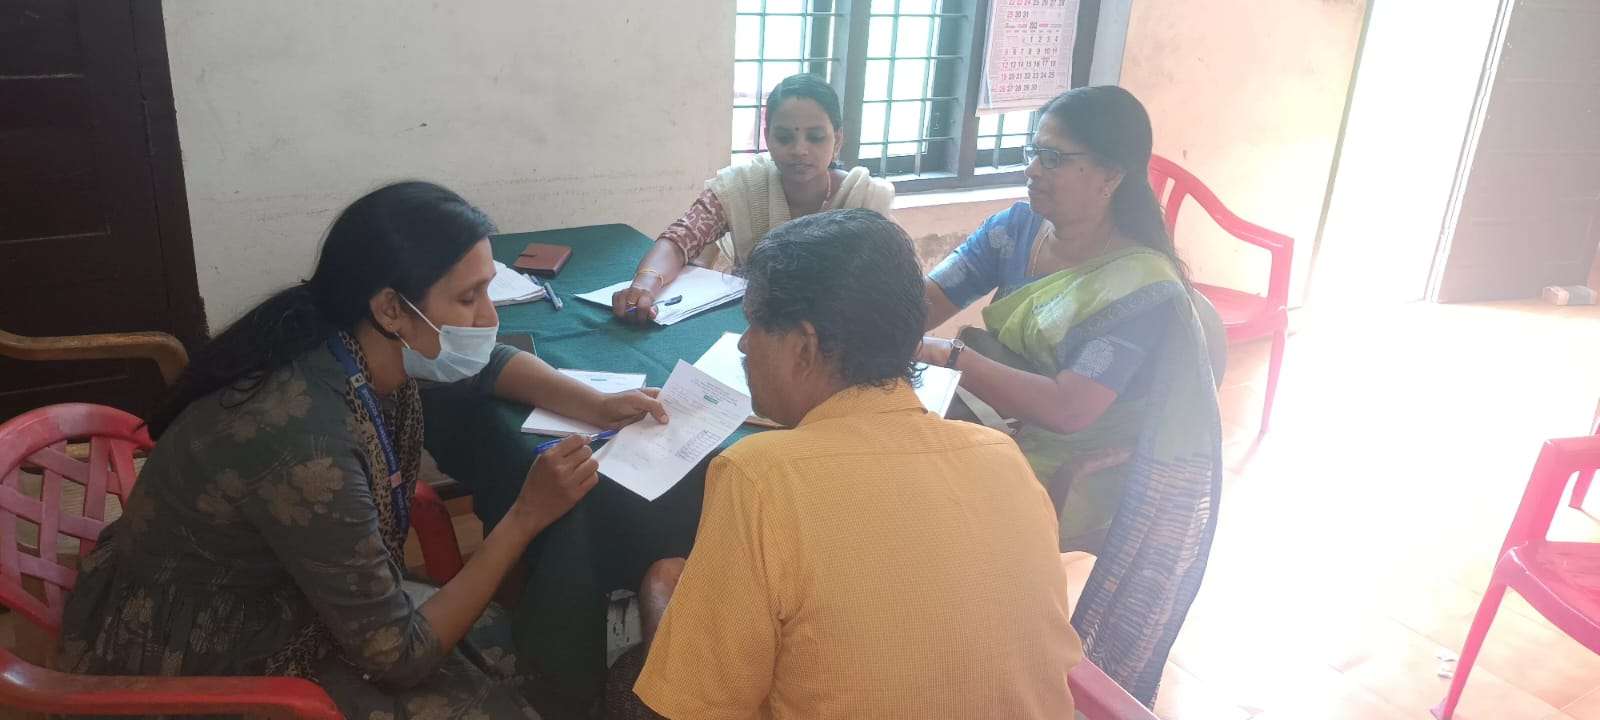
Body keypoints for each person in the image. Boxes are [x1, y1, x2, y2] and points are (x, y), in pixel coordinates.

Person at [57, 182, 667, 719]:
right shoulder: (305, 439)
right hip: (199, 648)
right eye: (468, 297)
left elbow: (488, 363)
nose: (487, 317)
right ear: (390, 308)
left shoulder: (357, 338)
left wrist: (596, 402)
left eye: (489, 290)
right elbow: (398, 657)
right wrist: (526, 517)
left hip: (274, 590)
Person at [611, 209, 1081, 719]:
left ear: (805, 348)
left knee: (657, 603)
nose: (744, 346)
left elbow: (695, 709)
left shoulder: (760, 476)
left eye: (753, 326)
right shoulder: (1002, 457)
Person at [917, 86, 1222, 704]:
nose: (1033, 169)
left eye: (1054, 158)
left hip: (1079, 459)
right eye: (1035, 152)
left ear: (1110, 175)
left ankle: (965, 654)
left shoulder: (1139, 285)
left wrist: (949, 357)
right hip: (998, 414)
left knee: (920, 501)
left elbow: (1068, 408)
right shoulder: (1018, 228)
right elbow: (925, 304)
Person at [612, 73, 894, 323]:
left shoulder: (863, 200)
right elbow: (680, 238)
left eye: (816, 137)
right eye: (784, 138)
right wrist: (646, 284)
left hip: (834, 335)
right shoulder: (744, 186)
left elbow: (884, 292)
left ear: (838, 141)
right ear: (767, 137)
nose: (799, 150)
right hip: (750, 325)